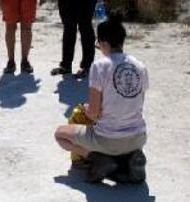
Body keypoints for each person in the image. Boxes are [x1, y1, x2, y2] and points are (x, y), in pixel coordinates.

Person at [53, 13, 148, 182]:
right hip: (138, 137)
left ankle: (99, 159)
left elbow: (94, 114)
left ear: (103, 43)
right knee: (117, 141)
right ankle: (128, 159)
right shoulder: (140, 66)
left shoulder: (100, 66)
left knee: (60, 134)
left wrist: (86, 109)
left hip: (108, 139)